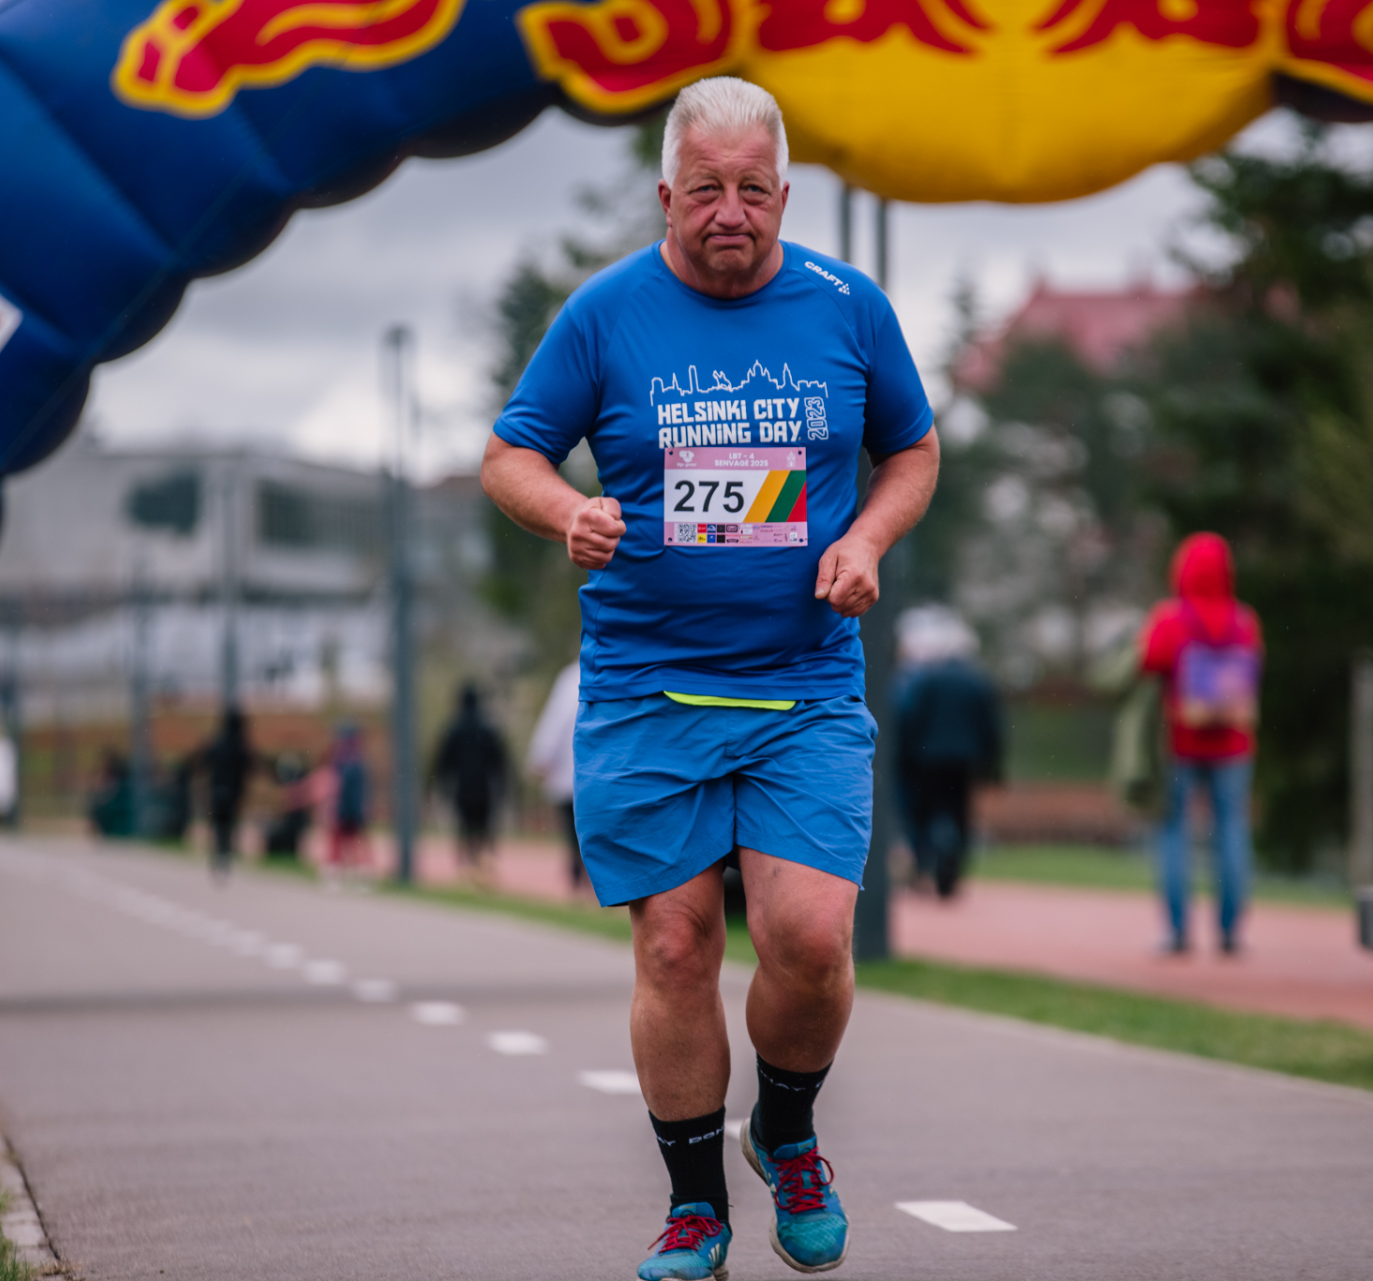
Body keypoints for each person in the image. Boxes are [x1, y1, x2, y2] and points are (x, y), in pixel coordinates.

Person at [481, 77, 939, 1281]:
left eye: (752, 190)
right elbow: (508, 451)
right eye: (705, 191)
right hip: (645, 689)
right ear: (665, 196)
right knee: (677, 949)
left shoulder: (848, 307)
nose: (729, 212)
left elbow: (914, 447)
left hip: (803, 689)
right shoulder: (605, 314)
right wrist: (567, 508)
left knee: (812, 942)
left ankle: (784, 1131)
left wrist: (867, 541)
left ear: (783, 192)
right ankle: (695, 1208)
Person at [1138, 532, 1263, 956]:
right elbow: (1254, 670)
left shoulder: (1171, 618)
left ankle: (1177, 932)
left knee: (1174, 833)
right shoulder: (1244, 619)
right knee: (1232, 831)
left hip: (1180, 740)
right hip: (1233, 743)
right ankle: (1230, 932)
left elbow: (1149, 660)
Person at [895, 613, 1003, 899]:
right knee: (959, 813)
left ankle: (923, 866)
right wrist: (993, 768)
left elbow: (910, 719)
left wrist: (904, 758)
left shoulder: (927, 679)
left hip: (927, 760)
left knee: (925, 812)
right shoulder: (978, 681)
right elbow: (992, 727)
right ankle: (951, 874)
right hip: (964, 761)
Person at [432, 684, 510, 887]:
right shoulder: (488, 728)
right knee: (484, 829)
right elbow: (500, 761)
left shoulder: (454, 729)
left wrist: (439, 785)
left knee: (464, 829)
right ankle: (485, 869)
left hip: (462, 789)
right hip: (484, 789)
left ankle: (465, 870)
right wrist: (503, 787)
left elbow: (442, 762)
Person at [527, 662, 585, 890]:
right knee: (592, 832)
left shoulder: (571, 678)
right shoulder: (615, 668)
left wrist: (540, 758)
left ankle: (577, 878)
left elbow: (555, 721)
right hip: (598, 774)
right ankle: (589, 879)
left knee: (575, 833)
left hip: (570, 777)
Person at [199, 707, 256, 881]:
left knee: (218, 824)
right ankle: (226, 855)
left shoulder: (217, 743)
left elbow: (204, 761)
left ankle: (219, 854)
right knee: (229, 824)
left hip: (217, 790)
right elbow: (251, 765)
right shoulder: (241, 745)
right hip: (234, 793)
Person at [326, 725, 370, 879]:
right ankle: (346, 870)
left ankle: (356, 871)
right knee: (344, 839)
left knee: (350, 839)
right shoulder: (344, 760)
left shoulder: (351, 761)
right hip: (348, 805)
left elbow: (337, 785)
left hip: (350, 806)